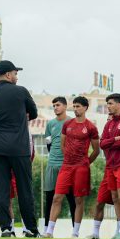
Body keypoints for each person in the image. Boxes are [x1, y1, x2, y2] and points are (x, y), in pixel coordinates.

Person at [0, 60, 40, 238]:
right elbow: (34, 113)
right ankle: (30, 228)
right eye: (15, 73)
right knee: (24, 189)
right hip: (19, 147)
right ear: (8, 74)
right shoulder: (20, 91)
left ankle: (6, 228)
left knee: (2, 190)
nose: (16, 77)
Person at [44, 96, 100, 238]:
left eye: (78, 106)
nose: (75, 109)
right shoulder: (67, 124)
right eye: (74, 106)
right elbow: (62, 145)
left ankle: (75, 232)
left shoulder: (91, 127)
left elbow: (96, 150)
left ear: (85, 108)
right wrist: (68, 158)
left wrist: (86, 162)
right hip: (66, 166)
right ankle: (49, 231)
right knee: (57, 197)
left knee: (79, 200)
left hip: (81, 167)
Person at [93, 93, 120, 239]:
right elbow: (102, 143)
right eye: (107, 104)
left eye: (110, 103)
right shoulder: (109, 124)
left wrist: (111, 141)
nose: (108, 106)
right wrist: (113, 139)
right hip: (110, 165)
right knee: (115, 198)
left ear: (118, 104)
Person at [43, 97, 76, 229]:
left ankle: (75, 230)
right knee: (50, 198)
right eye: (54, 105)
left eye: (58, 105)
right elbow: (48, 144)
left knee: (71, 199)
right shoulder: (50, 124)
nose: (55, 107)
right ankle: (46, 230)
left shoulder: (72, 122)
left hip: (67, 166)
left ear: (65, 106)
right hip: (52, 165)